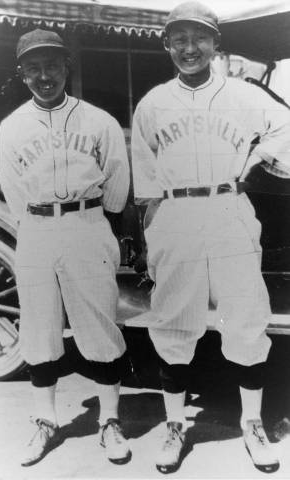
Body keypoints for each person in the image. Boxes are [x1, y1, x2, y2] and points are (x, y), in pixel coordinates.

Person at [131, 1, 290, 474]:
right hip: (175, 213)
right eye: (179, 39)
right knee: (174, 322)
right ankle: (176, 425)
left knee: (244, 318)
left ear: (215, 43)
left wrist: (258, 157)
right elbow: (145, 180)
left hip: (228, 206)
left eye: (199, 37)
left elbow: (286, 128)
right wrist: (148, 237)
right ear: (166, 45)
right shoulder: (154, 102)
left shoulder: (244, 95)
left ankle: (253, 423)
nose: (189, 48)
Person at [0, 28, 131, 467]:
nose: (44, 76)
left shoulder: (98, 120)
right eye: (33, 68)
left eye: (51, 65)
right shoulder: (12, 126)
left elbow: (117, 180)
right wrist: (38, 222)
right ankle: (45, 421)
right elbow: (15, 193)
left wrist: (97, 221)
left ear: (66, 66)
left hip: (87, 222)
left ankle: (109, 420)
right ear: (22, 74)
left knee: (100, 327)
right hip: (36, 228)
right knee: (39, 328)